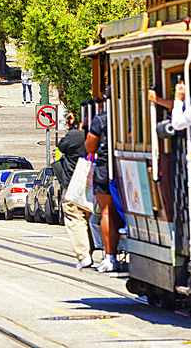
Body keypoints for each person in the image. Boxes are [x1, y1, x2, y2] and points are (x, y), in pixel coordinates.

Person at [86, 100, 121, 273]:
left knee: (106, 211)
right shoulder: (129, 116)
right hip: (125, 167)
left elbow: (90, 146)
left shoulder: (101, 119)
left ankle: (109, 256)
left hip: (105, 169)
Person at [57, 112, 93, 270]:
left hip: (73, 184)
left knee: (75, 219)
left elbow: (61, 146)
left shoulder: (75, 136)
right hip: (94, 182)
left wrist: (72, 127)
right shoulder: (104, 135)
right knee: (91, 218)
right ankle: (102, 252)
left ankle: (84, 255)